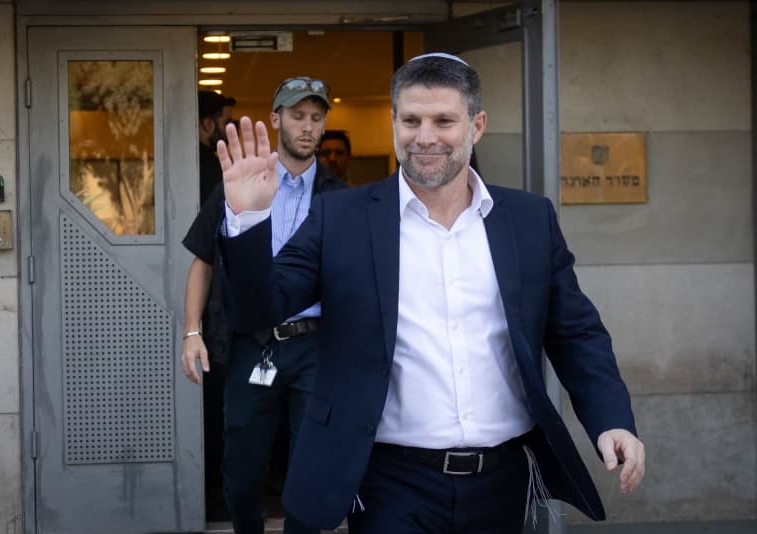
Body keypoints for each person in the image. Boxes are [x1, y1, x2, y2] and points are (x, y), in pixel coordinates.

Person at [216, 53, 645, 533]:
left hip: (503, 479)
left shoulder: (528, 220)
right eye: (411, 121)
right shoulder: (341, 218)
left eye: (443, 121)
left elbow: (575, 333)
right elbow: (259, 309)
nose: (425, 137)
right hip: (389, 482)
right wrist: (249, 219)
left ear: (477, 125)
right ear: (394, 122)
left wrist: (611, 418)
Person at [182, 76, 345, 534]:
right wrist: (192, 332)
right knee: (241, 467)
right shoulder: (238, 182)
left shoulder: (339, 196)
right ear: (276, 119)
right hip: (252, 343)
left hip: (315, 345)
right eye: (297, 116)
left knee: (310, 464)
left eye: (316, 117)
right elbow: (203, 260)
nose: (307, 126)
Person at [180, 89, 238, 522]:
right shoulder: (218, 173)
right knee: (219, 409)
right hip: (217, 309)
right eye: (224, 120)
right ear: (207, 124)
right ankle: (216, 496)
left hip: (203, 315)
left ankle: (207, 494)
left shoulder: (176, 167)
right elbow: (204, 255)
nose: (227, 127)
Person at [198, 90, 237, 201]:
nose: (230, 129)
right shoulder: (213, 168)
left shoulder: (181, 160)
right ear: (208, 124)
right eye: (226, 123)